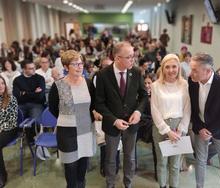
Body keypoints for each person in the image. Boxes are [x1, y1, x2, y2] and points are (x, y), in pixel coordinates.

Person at [95, 41, 147, 188]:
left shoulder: (136, 72)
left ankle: (128, 184)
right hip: (112, 124)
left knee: (130, 158)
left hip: (131, 123)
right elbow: (99, 103)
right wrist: (113, 120)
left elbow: (144, 96)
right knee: (111, 158)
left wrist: (138, 111)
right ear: (117, 58)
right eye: (129, 57)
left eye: (134, 56)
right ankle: (110, 184)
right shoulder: (103, 75)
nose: (133, 60)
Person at [48, 50, 96, 188]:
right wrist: (68, 117)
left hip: (86, 127)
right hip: (66, 130)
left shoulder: (88, 83)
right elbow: (53, 108)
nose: (79, 67)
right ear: (65, 67)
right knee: (70, 165)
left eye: (81, 63)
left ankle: (81, 184)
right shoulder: (58, 85)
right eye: (75, 64)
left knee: (83, 164)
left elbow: (92, 105)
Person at [188, 53, 220, 188]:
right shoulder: (192, 82)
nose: (191, 73)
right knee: (200, 161)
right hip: (200, 128)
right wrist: (199, 127)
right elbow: (192, 107)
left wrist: (211, 130)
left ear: (208, 71)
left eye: (195, 70)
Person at [151, 54, 191, 188]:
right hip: (161, 127)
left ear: (179, 68)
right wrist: (167, 130)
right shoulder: (156, 85)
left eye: (174, 66)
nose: (171, 70)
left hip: (179, 126)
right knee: (162, 163)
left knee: (175, 164)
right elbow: (154, 110)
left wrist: (181, 130)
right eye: (167, 67)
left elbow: (187, 108)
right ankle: (162, 185)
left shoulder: (184, 84)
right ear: (162, 69)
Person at [13, 60, 46, 143]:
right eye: (31, 68)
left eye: (34, 67)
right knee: (14, 119)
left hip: (36, 105)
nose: (34, 70)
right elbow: (17, 97)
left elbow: (40, 97)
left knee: (36, 122)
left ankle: (33, 140)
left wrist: (24, 93)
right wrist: (34, 93)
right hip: (22, 105)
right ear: (24, 70)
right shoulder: (17, 80)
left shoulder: (40, 78)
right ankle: (23, 136)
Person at [0, 75, 18, 187]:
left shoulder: (11, 99)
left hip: (9, 129)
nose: (0, 86)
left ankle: (2, 175)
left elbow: (13, 120)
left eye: (2, 83)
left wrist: (1, 127)